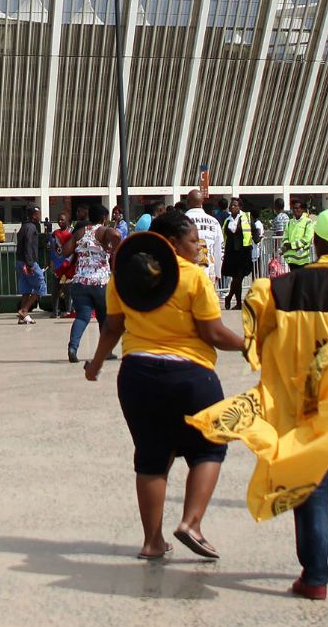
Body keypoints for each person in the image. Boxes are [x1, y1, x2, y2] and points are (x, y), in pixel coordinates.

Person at [188, 206, 328, 600]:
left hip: (304, 400)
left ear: (317, 241)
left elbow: (260, 333)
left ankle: (314, 577)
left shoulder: (285, 286)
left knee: (310, 480)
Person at [83, 213, 244, 560]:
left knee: (152, 458)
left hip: (137, 375)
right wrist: (248, 344)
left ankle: (152, 541)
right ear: (171, 243)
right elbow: (213, 333)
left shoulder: (123, 277)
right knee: (210, 448)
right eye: (192, 242)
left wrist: (95, 364)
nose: (198, 247)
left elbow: (112, 327)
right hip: (191, 376)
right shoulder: (194, 278)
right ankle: (191, 523)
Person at [64, 204, 120, 363]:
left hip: (79, 281)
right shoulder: (103, 230)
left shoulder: (80, 232)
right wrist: (112, 248)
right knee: (104, 317)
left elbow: (66, 251)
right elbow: (115, 234)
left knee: (82, 317)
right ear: (103, 217)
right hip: (99, 282)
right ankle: (106, 351)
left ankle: (73, 347)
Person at [221, 199, 256, 310]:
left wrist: (257, 239)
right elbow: (224, 236)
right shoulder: (227, 220)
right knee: (236, 278)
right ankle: (238, 303)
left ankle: (230, 297)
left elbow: (254, 230)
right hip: (231, 252)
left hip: (243, 252)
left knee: (238, 277)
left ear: (240, 207)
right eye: (231, 205)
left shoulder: (247, 218)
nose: (232, 207)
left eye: (235, 205)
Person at [15, 206, 46, 324]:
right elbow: (28, 244)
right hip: (29, 262)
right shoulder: (31, 227)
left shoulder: (24, 226)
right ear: (34, 215)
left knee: (26, 289)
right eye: (38, 214)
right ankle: (24, 310)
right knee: (41, 286)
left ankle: (22, 318)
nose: (40, 216)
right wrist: (29, 263)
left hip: (20, 261)